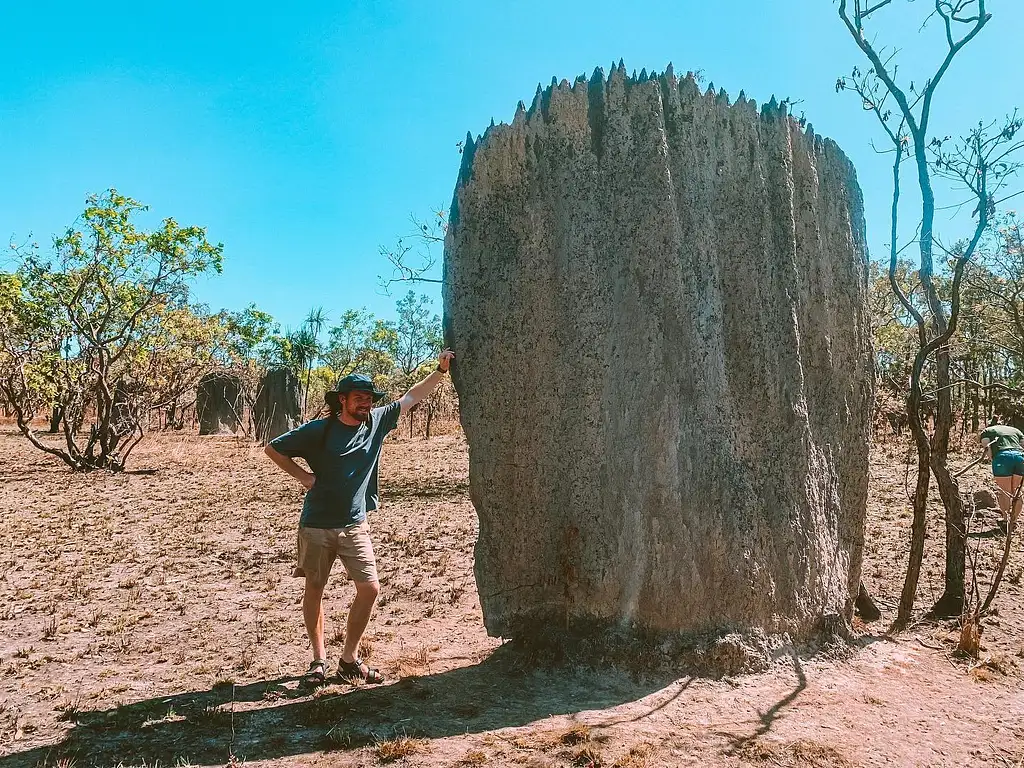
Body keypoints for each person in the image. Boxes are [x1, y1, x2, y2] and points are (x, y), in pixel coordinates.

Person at [264, 350, 455, 684]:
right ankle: (318, 661)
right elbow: (273, 448)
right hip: (316, 526)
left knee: (369, 588)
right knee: (315, 588)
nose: (366, 403)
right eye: (359, 398)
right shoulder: (319, 430)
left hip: (355, 525)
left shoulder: (378, 422)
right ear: (342, 400)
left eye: (369, 398)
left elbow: (412, 396)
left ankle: (349, 659)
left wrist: (440, 371)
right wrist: (305, 478)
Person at [980, 415, 1024, 532]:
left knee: (1004, 491)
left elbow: (987, 448)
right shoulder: (1016, 430)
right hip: (1020, 457)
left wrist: (992, 460)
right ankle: (1014, 521)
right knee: (1017, 491)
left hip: (1002, 457)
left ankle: (1005, 521)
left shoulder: (987, 431)